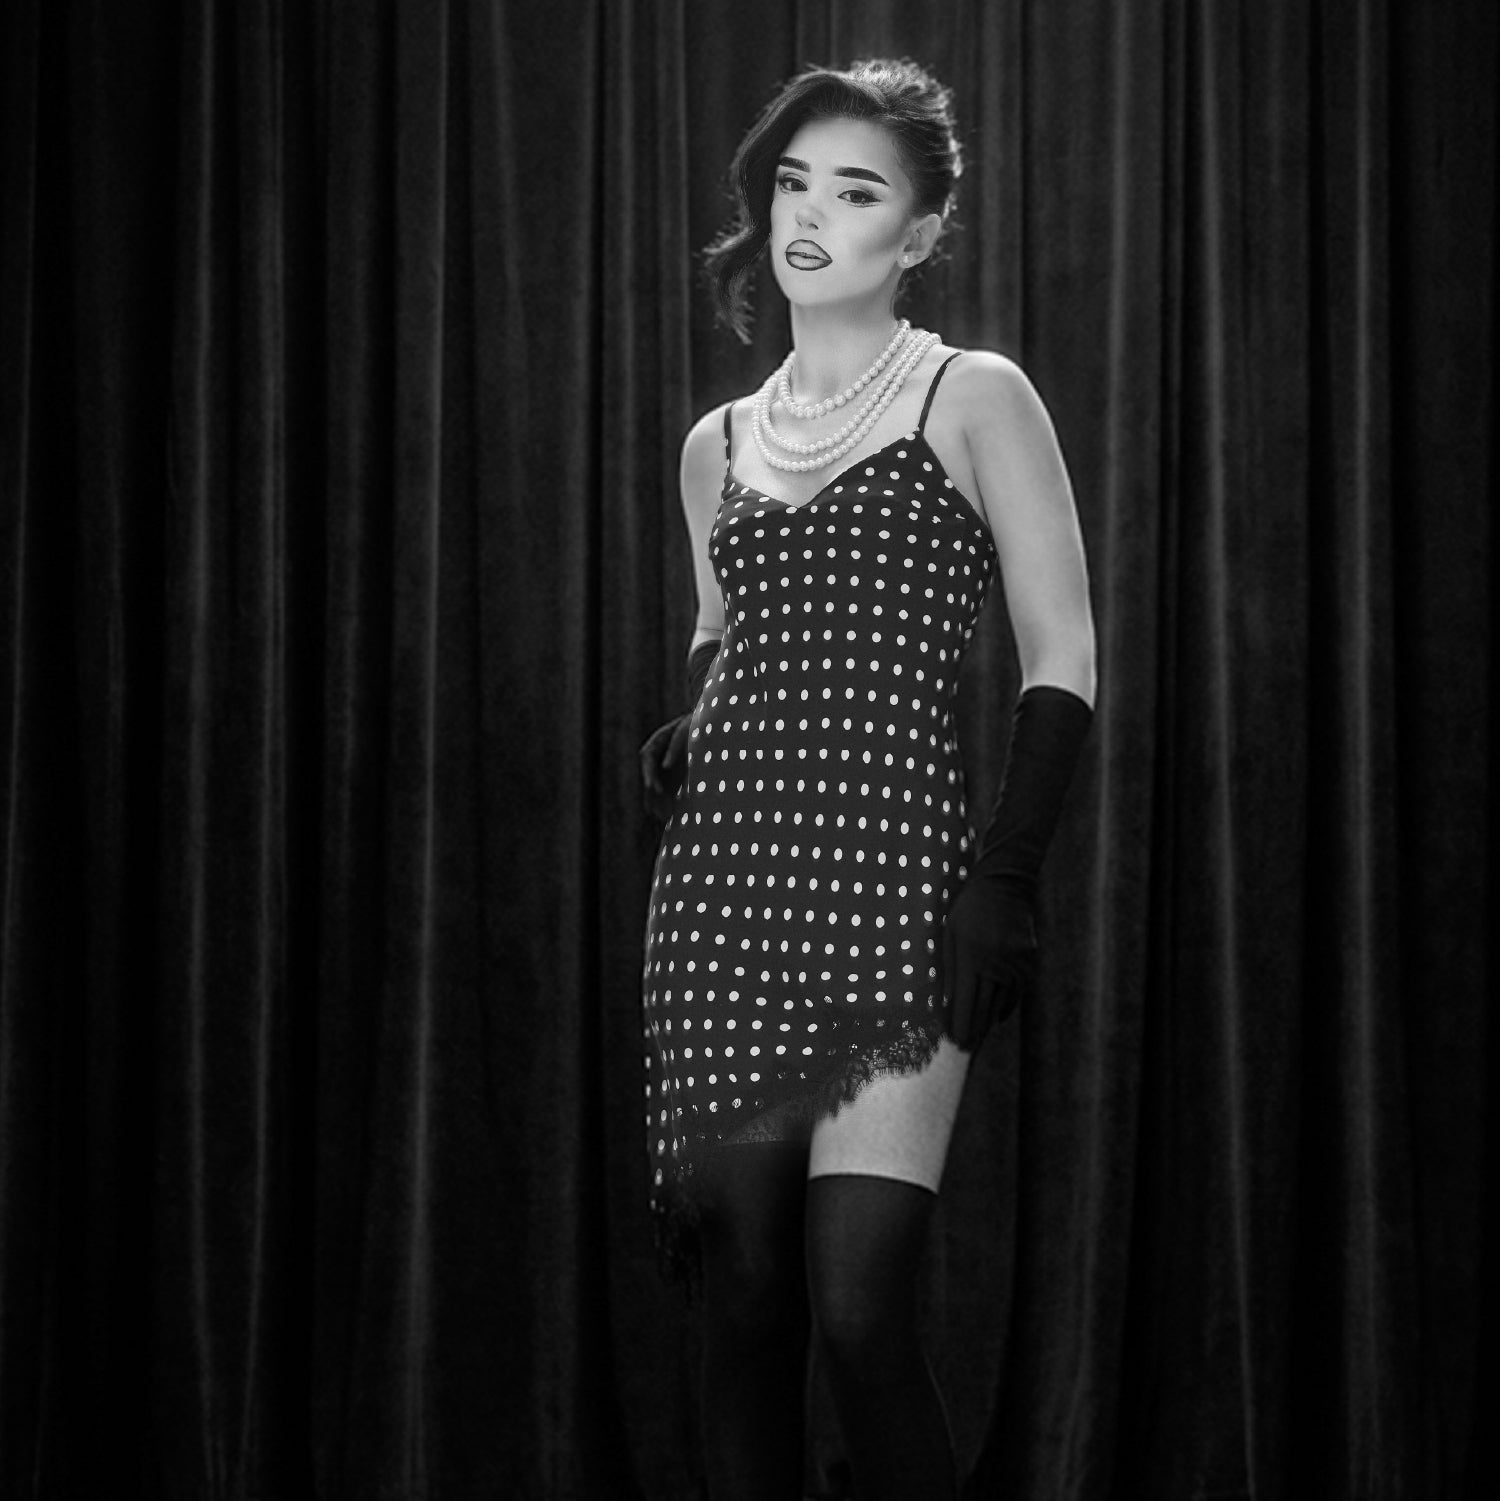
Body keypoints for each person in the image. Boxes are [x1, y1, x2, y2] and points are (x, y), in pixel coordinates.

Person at [638, 57, 1096, 1501]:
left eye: (854, 191)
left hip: (897, 886)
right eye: (793, 184)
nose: (810, 217)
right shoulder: (717, 443)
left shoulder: (972, 395)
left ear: (919, 231)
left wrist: (1005, 874)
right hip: (723, 898)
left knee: (857, 1304)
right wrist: (697, 718)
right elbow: (722, 630)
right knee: (746, 1297)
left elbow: (1064, 654)